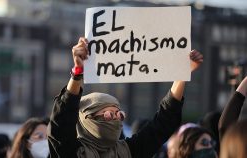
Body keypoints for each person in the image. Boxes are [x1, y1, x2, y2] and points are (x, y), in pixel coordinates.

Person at [47, 37, 203, 158]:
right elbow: (61, 121)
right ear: (88, 119)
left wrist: (182, 74)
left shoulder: (129, 152)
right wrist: (78, 72)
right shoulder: (69, 152)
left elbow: (164, 122)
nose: (116, 119)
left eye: (119, 115)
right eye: (109, 115)